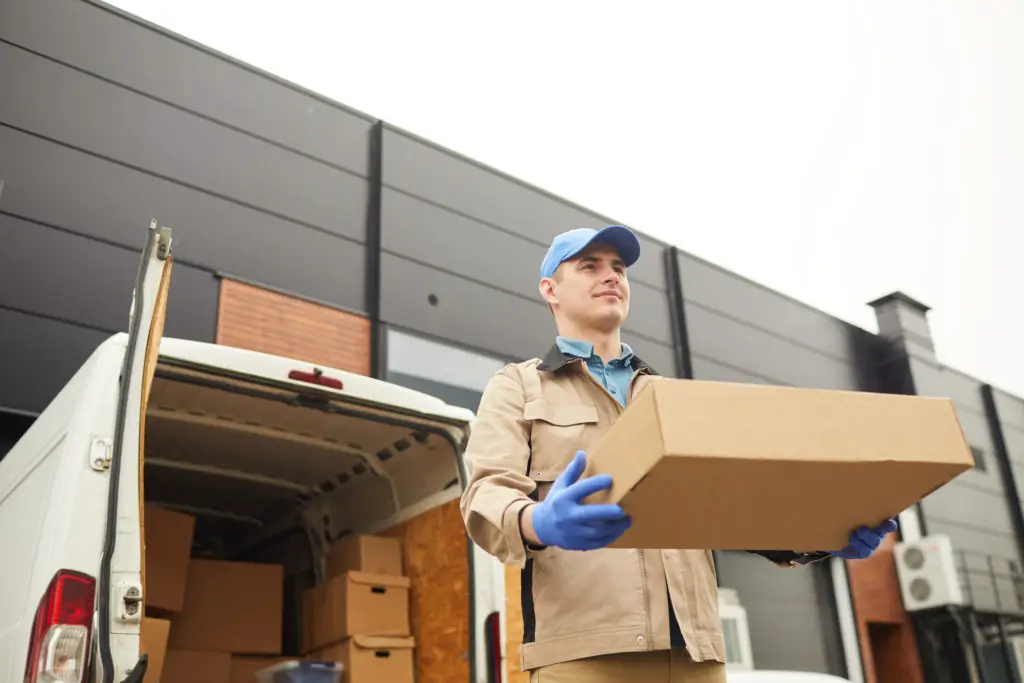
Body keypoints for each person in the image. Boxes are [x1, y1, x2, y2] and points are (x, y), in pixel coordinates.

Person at [459, 225, 898, 682]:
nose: (611, 276)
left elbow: (730, 506)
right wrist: (539, 521)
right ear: (550, 289)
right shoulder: (520, 386)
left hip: (697, 656)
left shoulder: (670, 398)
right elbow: (485, 495)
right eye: (589, 266)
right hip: (584, 657)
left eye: (619, 268)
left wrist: (822, 533)